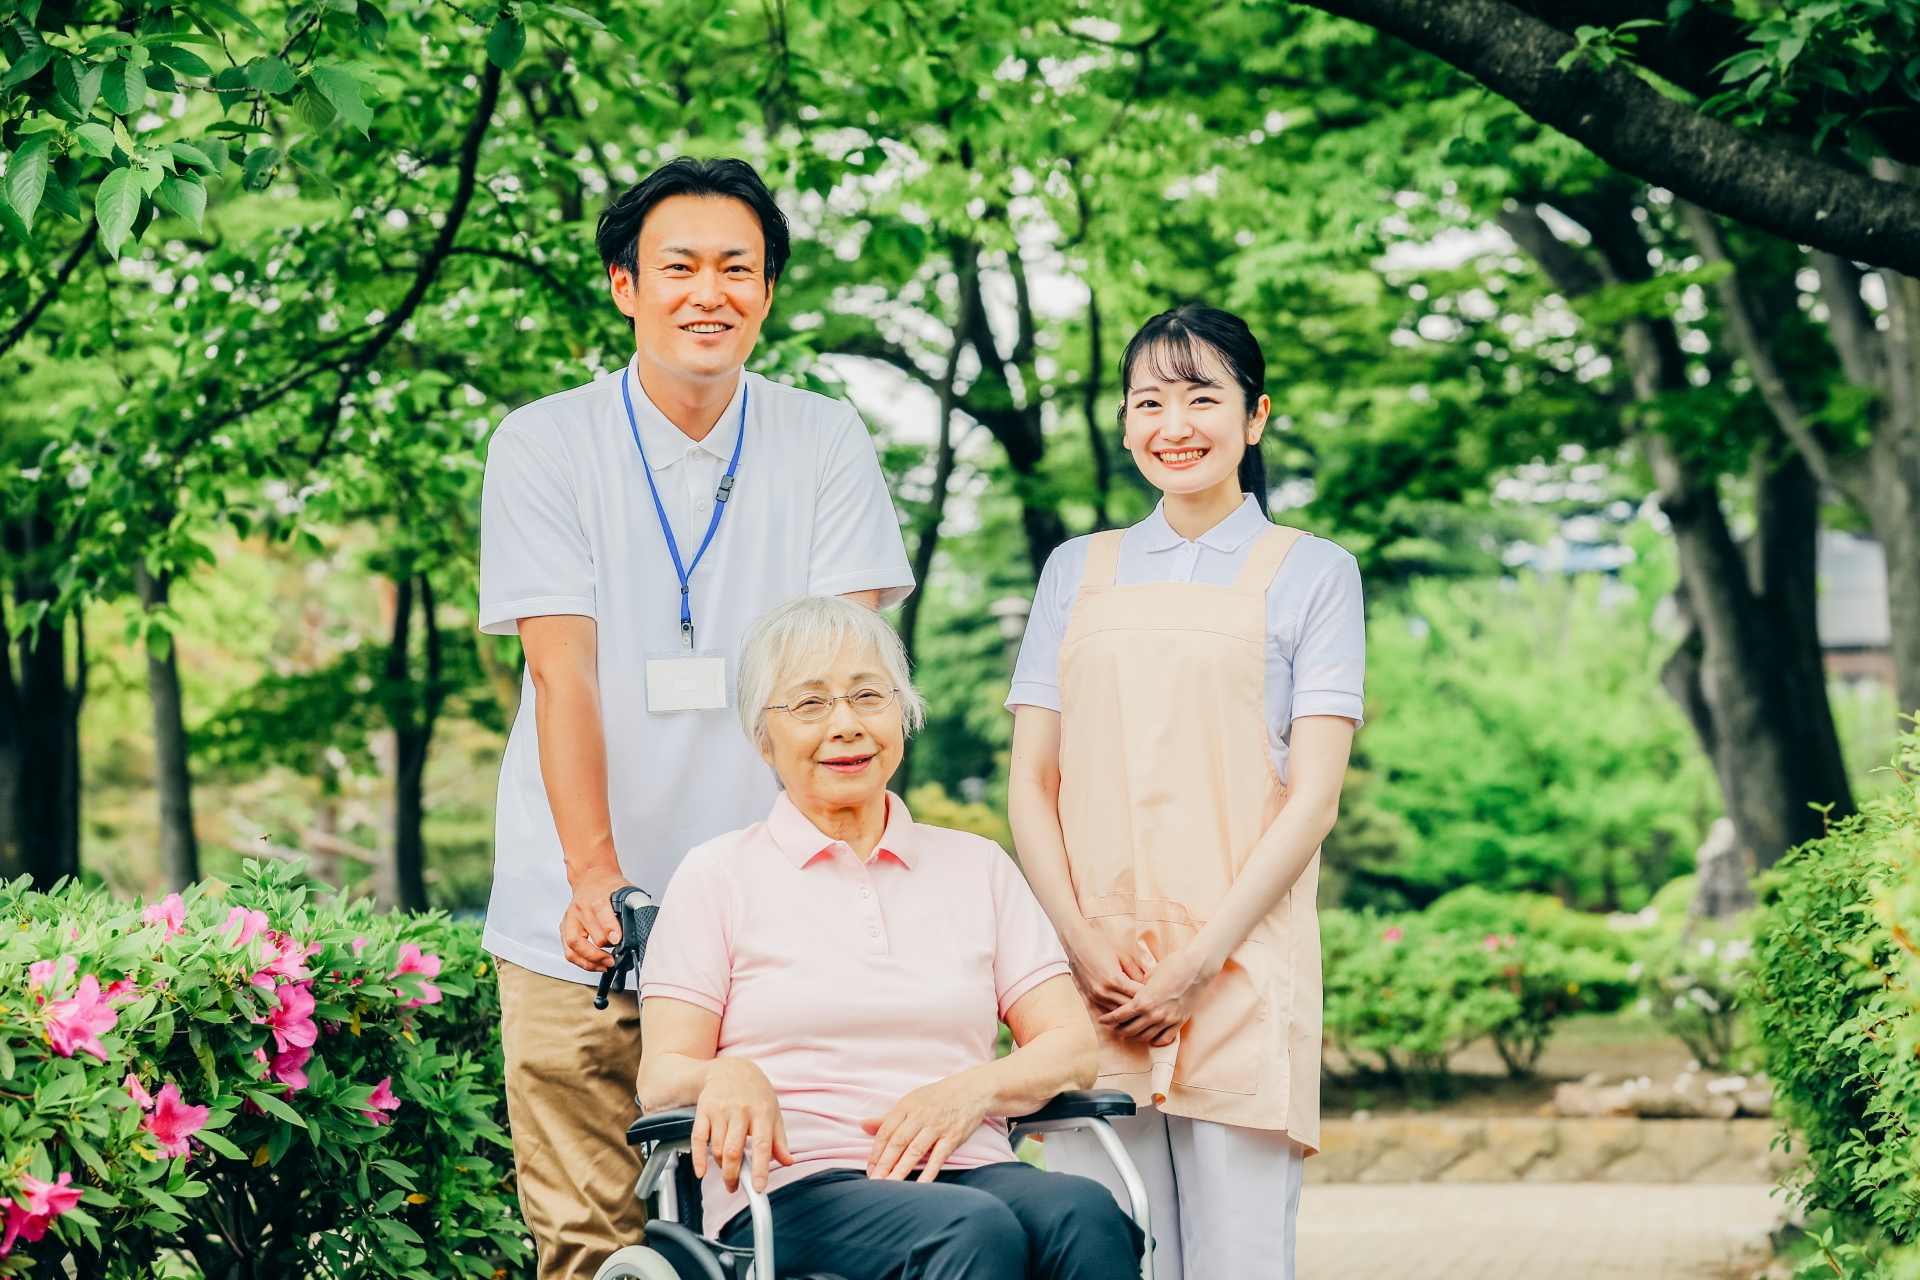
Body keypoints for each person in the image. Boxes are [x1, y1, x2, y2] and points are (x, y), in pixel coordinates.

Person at [477, 158, 914, 1280]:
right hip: (573, 924)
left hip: (770, 922)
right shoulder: (542, 443)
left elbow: (839, 684)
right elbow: (561, 676)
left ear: (768, 293)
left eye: (738, 268)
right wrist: (593, 876)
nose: (707, 291)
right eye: (678, 266)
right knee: (589, 1247)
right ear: (625, 284)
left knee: (780, 1234)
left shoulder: (824, 441)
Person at [1005, 305, 1365, 1280]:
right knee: (1098, 1253)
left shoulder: (1315, 574)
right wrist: (1082, 947)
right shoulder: (1074, 571)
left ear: (1255, 417)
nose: (1176, 422)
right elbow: (1030, 784)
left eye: (1204, 396)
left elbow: (1314, 797)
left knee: (1238, 1260)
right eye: (1150, 400)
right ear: (1124, 424)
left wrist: (1201, 962)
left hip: (1242, 969)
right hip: (1096, 979)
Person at [637, 595, 1144, 1280]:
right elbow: (661, 1075)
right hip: (799, 1186)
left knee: (1084, 1210)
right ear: (763, 737)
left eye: (869, 696)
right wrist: (725, 1073)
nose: (846, 726)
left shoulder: (977, 867)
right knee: (972, 1230)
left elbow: (1072, 1048)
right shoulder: (719, 874)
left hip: (968, 1166)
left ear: (902, 713)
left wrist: (974, 1090)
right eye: (810, 705)